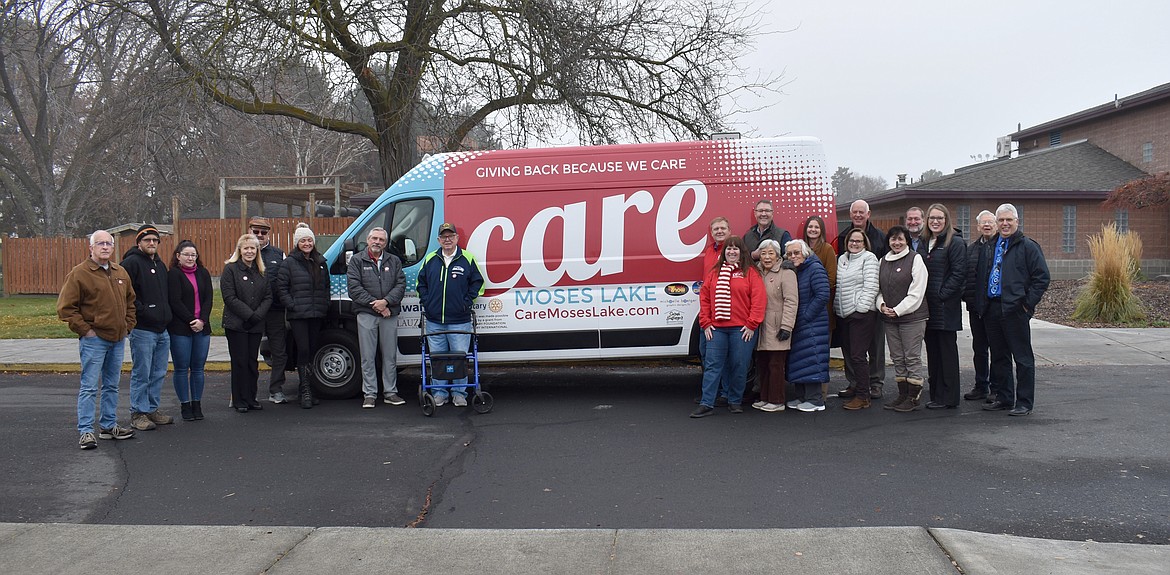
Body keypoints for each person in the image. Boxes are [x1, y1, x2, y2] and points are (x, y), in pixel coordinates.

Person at [58, 230, 138, 449]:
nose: (105, 247)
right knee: (90, 387)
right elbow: (66, 308)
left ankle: (108, 426)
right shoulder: (80, 273)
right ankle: (85, 432)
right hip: (94, 340)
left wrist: (128, 325)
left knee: (112, 385)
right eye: (100, 243)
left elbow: (131, 302)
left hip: (118, 338)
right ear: (90, 247)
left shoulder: (120, 271)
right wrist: (86, 330)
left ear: (113, 247)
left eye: (108, 244)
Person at [975, 203, 1050, 416]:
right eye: (1001, 220)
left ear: (1017, 221)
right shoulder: (991, 245)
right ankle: (1005, 397)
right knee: (999, 357)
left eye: (1009, 220)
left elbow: (1041, 277)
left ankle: (1024, 402)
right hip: (992, 309)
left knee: (1022, 358)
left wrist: (1027, 304)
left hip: (1016, 309)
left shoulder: (1027, 246)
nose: (1005, 223)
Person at [691, 236, 765, 417]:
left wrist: (751, 324)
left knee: (739, 365)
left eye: (736, 249)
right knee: (712, 365)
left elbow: (759, 300)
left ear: (742, 252)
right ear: (724, 253)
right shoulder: (715, 273)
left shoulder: (750, 273)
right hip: (717, 328)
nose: (732, 252)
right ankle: (707, 403)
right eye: (729, 249)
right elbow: (705, 298)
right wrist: (706, 323)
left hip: (742, 329)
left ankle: (734, 401)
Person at [418, 223, 485, 407]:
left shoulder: (467, 258)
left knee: (459, 359)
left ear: (457, 238)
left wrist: (466, 302)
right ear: (439, 240)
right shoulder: (431, 259)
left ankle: (459, 394)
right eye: (444, 236)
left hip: (460, 321)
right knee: (438, 359)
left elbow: (478, 284)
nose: (447, 239)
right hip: (434, 321)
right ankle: (439, 394)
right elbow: (420, 284)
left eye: (451, 236)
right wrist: (427, 301)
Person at [121, 224, 174, 431]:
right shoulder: (131, 263)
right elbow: (125, 294)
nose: (151, 243)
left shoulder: (160, 265)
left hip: (162, 329)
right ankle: (138, 413)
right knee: (142, 372)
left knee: (159, 372)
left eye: (155, 240)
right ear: (139, 242)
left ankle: (152, 408)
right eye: (147, 240)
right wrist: (143, 311)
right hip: (143, 329)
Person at [347, 227, 407, 408]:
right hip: (366, 313)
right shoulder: (357, 261)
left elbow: (401, 284)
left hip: (389, 313)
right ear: (368, 239)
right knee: (367, 356)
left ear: (385, 243)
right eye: (374, 238)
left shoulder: (394, 261)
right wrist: (378, 305)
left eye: (381, 240)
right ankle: (370, 394)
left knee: (390, 356)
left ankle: (390, 392)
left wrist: (386, 302)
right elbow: (354, 289)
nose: (377, 242)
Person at [834, 199, 887, 398]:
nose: (857, 215)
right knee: (850, 349)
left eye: (861, 212)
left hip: (870, 305)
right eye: (854, 212)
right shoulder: (842, 238)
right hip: (847, 306)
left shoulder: (880, 238)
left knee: (874, 346)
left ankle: (875, 382)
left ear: (868, 214)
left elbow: (880, 274)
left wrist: (865, 306)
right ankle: (854, 382)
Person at [276, 223, 330, 409]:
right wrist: (292, 305)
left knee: (313, 351)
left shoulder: (320, 262)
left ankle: (305, 389)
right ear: (297, 243)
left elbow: (326, 287)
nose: (306, 243)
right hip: (298, 315)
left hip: (316, 314)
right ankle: (306, 390)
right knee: (303, 350)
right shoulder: (289, 263)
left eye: (309, 240)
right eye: (303, 240)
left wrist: (325, 304)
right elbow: (281, 288)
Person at [919, 204, 967, 410]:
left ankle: (949, 397)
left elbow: (959, 274)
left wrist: (941, 295)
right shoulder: (923, 242)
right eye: (932, 218)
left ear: (946, 220)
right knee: (933, 352)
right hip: (926, 307)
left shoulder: (954, 243)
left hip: (945, 308)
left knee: (946, 353)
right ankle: (937, 394)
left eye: (939, 218)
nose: (935, 222)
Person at [876, 226, 928, 412]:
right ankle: (902, 394)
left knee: (911, 357)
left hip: (912, 318)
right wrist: (881, 306)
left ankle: (913, 398)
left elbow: (917, 292)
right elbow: (879, 289)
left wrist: (897, 310)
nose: (896, 243)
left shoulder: (915, 259)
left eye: (900, 239)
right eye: (893, 239)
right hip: (890, 319)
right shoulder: (882, 261)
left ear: (906, 240)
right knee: (897, 357)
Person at [222, 234, 272, 413]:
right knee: (240, 362)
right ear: (240, 250)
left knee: (252, 363)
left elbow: (268, 296)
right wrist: (249, 315)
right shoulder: (231, 269)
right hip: (237, 325)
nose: (249, 251)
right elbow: (229, 297)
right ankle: (239, 400)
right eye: (246, 248)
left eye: (253, 248)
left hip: (255, 326)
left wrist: (257, 316)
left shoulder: (261, 271)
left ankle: (251, 398)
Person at [167, 240, 213, 422]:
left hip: (202, 328)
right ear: (178, 256)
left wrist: (202, 320)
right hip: (181, 329)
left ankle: (196, 403)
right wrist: (191, 320)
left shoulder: (203, 273)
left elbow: (208, 299)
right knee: (181, 368)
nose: (190, 258)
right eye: (186, 254)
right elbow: (175, 301)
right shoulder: (174, 275)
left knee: (198, 369)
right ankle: (185, 405)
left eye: (193, 255)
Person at [784, 239, 831, 412]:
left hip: (812, 323)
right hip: (801, 322)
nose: (793, 256)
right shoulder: (798, 270)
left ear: (805, 253)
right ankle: (802, 397)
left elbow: (823, 294)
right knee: (800, 360)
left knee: (812, 359)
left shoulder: (814, 268)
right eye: (789, 254)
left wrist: (806, 316)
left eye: (796, 252)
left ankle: (815, 400)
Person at [962, 210, 1003, 401]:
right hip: (975, 307)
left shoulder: (1002, 247)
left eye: (990, 222)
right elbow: (965, 277)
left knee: (996, 348)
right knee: (979, 349)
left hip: (995, 308)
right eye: (983, 223)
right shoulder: (970, 250)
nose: (987, 225)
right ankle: (981, 385)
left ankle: (996, 388)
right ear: (978, 227)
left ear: (996, 225)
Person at [753, 239, 797, 412]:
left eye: (771, 253)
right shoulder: (757, 271)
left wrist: (786, 326)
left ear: (778, 255)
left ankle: (777, 400)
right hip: (762, 325)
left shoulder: (786, 273)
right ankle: (765, 397)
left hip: (778, 325)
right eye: (763, 253)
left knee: (776, 365)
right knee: (763, 363)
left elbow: (791, 301)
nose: (767, 257)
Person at [250, 216, 290, 404]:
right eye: (256, 232)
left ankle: (276, 389)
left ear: (268, 234)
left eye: (263, 232)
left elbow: (285, 281)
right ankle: (246, 391)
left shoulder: (278, 254)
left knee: (279, 351)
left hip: (274, 311)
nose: (259, 236)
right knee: (248, 352)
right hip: (250, 312)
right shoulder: (242, 253)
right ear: (249, 231)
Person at [696, 216, 733, 407]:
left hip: (723, 310)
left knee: (720, 355)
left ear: (729, 230)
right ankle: (712, 390)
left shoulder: (733, 250)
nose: (719, 231)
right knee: (705, 351)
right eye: (716, 229)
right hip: (707, 308)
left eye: (722, 228)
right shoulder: (710, 250)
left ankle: (725, 392)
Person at [803, 214, 837, 399]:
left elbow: (831, 279)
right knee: (807, 354)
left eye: (816, 227)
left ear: (821, 230)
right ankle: (808, 393)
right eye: (810, 227)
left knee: (821, 353)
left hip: (822, 310)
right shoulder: (800, 249)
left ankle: (821, 395)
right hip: (804, 312)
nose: (813, 230)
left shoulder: (827, 249)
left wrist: (810, 293)